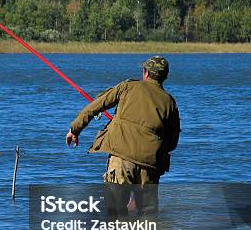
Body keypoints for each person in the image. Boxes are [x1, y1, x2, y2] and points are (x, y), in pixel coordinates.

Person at [65, 56, 180, 216]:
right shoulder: (170, 102)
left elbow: (94, 108)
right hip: (150, 165)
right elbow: (172, 142)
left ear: (145, 73)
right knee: (149, 217)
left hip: (121, 159)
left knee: (115, 213)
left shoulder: (128, 87)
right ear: (165, 76)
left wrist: (75, 130)